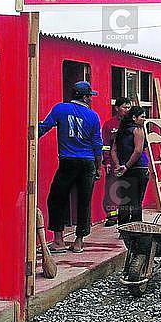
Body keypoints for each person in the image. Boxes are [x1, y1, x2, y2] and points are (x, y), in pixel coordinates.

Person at [38, 81, 104, 254]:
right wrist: (98, 168)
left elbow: (43, 128)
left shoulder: (60, 109)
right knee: (84, 201)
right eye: (90, 96)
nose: (91, 99)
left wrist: (25, 136)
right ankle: (78, 242)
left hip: (67, 162)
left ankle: (58, 241)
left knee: (56, 198)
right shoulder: (93, 116)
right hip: (88, 162)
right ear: (84, 97)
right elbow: (97, 144)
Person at [111, 105, 150, 225]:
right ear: (134, 117)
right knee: (137, 201)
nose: (144, 119)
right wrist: (127, 166)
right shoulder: (138, 130)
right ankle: (135, 230)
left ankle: (123, 229)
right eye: (142, 116)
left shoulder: (120, 131)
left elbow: (113, 150)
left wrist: (119, 165)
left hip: (124, 169)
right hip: (137, 168)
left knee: (124, 200)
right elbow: (138, 151)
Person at [101, 97, 132, 226]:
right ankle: (112, 216)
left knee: (128, 188)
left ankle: (127, 214)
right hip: (114, 162)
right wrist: (107, 161)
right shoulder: (109, 124)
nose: (127, 110)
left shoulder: (132, 123)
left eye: (129, 107)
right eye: (124, 107)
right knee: (111, 188)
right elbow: (106, 144)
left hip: (129, 161)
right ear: (117, 108)